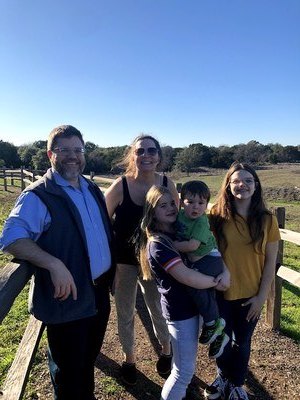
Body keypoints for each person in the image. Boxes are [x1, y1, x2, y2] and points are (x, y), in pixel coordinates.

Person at [0, 125, 115, 400]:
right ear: (51, 154)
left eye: (78, 150)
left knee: (86, 362)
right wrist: (53, 263)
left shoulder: (89, 187)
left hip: (97, 294)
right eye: (65, 150)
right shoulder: (38, 195)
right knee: (67, 374)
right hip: (68, 301)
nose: (73, 156)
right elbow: (11, 238)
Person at [139, 185, 230, 400]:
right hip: (181, 312)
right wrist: (216, 282)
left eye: (172, 203)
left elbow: (210, 246)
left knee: (185, 368)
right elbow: (186, 277)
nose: (171, 208)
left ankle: (217, 329)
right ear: (152, 211)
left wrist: (225, 271)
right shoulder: (159, 243)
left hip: (192, 307)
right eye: (163, 205)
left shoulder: (178, 229)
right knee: (183, 373)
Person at [105, 134, 179, 386]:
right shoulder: (120, 186)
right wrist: (108, 264)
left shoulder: (168, 184)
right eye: (140, 151)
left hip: (155, 260)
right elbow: (103, 224)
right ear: (132, 155)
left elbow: (174, 218)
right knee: (125, 311)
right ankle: (129, 359)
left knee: (158, 307)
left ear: (159, 156)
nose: (146, 155)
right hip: (124, 261)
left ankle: (167, 351)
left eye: (151, 150)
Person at [206, 162, 280, 400]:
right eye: (236, 181)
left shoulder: (268, 221)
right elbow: (207, 252)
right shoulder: (216, 217)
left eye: (248, 180)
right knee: (221, 340)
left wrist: (261, 297)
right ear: (228, 185)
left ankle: (237, 383)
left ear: (256, 185)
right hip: (221, 293)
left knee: (242, 341)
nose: (242, 185)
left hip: (251, 295)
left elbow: (270, 263)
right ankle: (222, 377)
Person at [173, 180, 229, 359]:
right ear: (182, 203)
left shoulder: (202, 222)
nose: (195, 207)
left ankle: (213, 322)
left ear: (206, 205)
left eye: (200, 203)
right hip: (200, 261)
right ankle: (218, 333)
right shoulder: (180, 216)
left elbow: (192, 245)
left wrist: (171, 244)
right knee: (200, 290)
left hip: (210, 259)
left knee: (194, 284)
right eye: (190, 202)